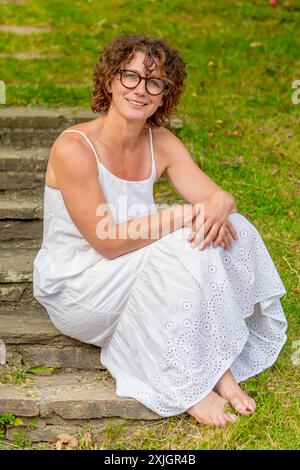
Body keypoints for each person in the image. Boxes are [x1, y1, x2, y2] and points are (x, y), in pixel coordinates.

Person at [33, 33, 287, 428]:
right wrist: (182, 214)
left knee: (233, 228)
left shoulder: (161, 142)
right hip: (80, 283)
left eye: (154, 82)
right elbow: (108, 241)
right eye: (130, 76)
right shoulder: (74, 148)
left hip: (134, 263)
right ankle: (194, 382)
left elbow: (215, 199)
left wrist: (222, 200)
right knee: (185, 244)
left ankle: (216, 365)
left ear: (165, 94)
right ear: (109, 80)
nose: (141, 89)